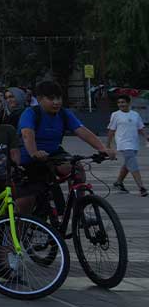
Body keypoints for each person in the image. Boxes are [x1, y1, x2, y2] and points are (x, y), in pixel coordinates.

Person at [17, 80, 112, 215]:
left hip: (53, 153)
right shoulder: (31, 113)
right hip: (29, 156)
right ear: (39, 99)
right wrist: (34, 152)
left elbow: (81, 130)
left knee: (77, 168)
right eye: (51, 98)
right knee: (26, 202)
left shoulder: (64, 113)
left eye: (59, 98)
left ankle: (79, 210)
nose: (56, 102)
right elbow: (27, 134)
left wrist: (102, 148)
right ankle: (19, 231)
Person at [106, 93, 147, 196]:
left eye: (123, 102)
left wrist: (146, 136)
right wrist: (108, 145)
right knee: (133, 164)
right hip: (123, 143)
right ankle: (141, 187)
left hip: (134, 143)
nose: (121, 104)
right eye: (119, 102)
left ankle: (118, 182)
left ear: (128, 103)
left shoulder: (135, 114)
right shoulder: (115, 114)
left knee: (128, 164)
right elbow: (111, 130)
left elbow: (140, 127)